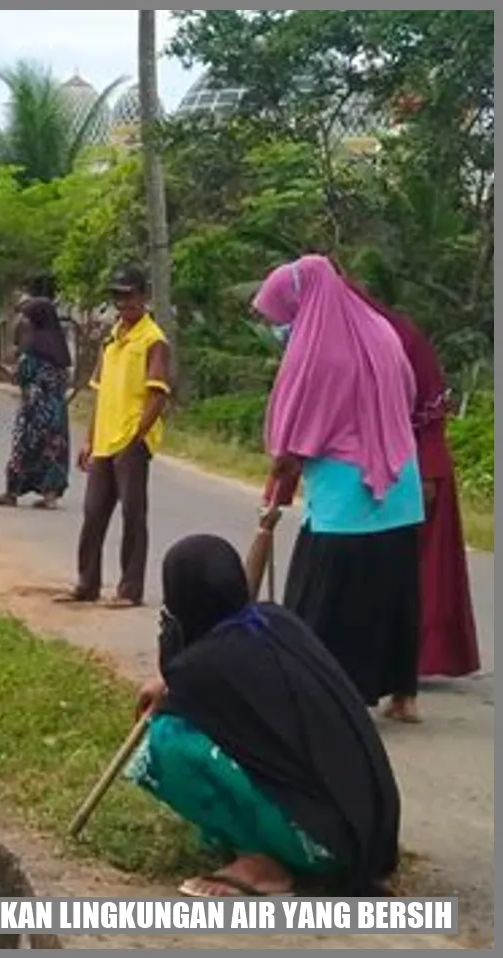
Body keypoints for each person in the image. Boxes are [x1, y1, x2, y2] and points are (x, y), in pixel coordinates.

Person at [129, 535, 401, 898]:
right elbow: (195, 671)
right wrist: (171, 679)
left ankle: (264, 863)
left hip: (322, 845)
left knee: (165, 742)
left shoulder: (204, 668)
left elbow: (178, 681)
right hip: (367, 835)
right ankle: (264, 838)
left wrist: (173, 658)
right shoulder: (273, 620)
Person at [253, 254, 424, 722]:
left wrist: (277, 482)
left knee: (325, 597)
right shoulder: (379, 330)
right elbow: (408, 394)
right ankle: (402, 696)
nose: (282, 328)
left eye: (283, 317)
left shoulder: (319, 352)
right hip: (400, 482)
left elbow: (292, 442)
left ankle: (322, 696)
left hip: (348, 492)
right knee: (393, 593)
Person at [341, 276, 480, 683]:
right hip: (370, 470)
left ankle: (418, 659)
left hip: (417, 467)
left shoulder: (399, 336)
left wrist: (430, 471)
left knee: (420, 571)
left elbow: (430, 411)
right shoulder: (345, 338)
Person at [62, 263, 172, 608]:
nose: (124, 304)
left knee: (132, 514)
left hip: (131, 440)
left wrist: (138, 437)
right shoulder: (112, 339)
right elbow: (101, 392)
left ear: (143, 297)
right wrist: (89, 439)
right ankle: (86, 583)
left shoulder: (153, 340)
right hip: (105, 440)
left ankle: (129, 589)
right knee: (93, 512)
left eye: (130, 296)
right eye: (118, 297)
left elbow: (158, 395)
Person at [0, 287, 72, 509]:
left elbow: (21, 376)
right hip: (56, 410)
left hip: (34, 409)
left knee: (23, 448)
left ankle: (12, 492)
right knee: (53, 450)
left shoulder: (32, 344)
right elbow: (65, 378)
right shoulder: (59, 347)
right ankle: (50, 495)